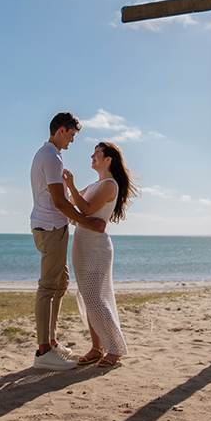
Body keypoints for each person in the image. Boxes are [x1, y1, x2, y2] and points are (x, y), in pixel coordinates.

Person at [30, 112, 106, 371]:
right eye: (72, 135)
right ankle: (43, 352)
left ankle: (50, 343)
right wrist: (86, 222)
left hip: (55, 226)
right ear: (61, 130)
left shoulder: (52, 155)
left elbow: (62, 197)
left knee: (59, 284)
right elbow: (59, 202)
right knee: (48, 287)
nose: (73, 141)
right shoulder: (50, 156)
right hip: (50, 227)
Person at [62, 141, 139, 368]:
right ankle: (97, 348)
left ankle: (115, 349)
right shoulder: (95, 184)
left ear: (108, 160)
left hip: (96, 246)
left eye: (97, 154)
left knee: (97, 298)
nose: (92, 156)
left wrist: (73, 186)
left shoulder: (109, 185)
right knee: (87, 297)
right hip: (81, 243)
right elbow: (72, 203)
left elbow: (84, 209)